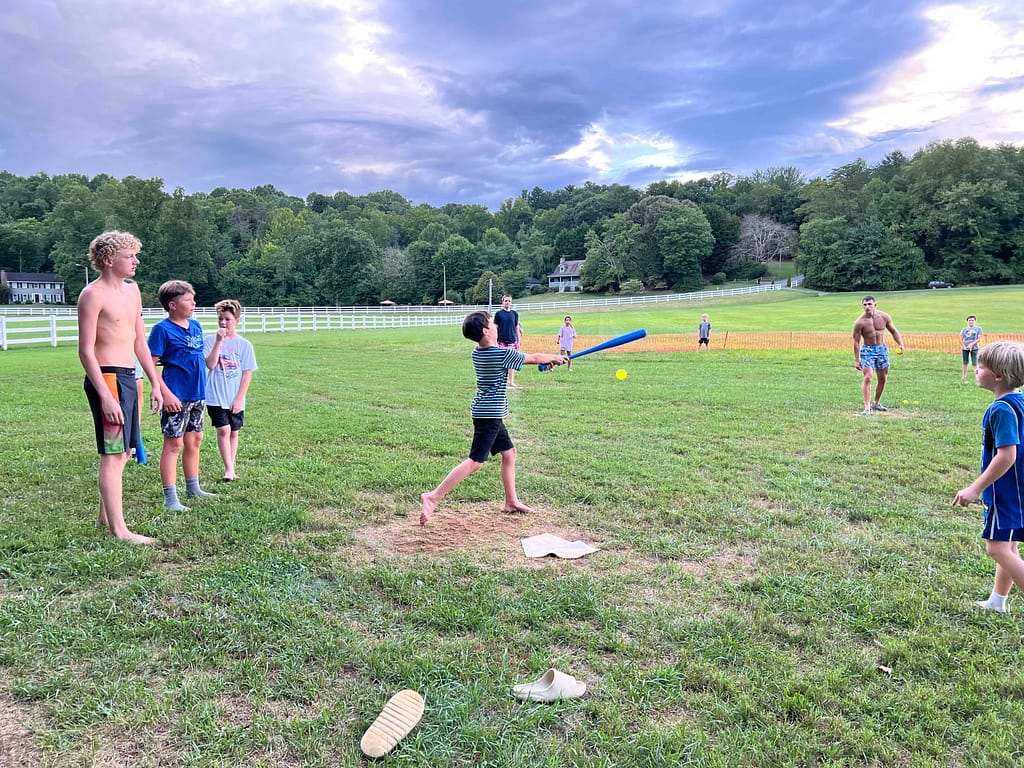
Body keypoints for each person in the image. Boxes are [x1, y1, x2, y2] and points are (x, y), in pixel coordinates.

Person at [419, 311, 567, 525]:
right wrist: (555, 357)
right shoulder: (499, 354)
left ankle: (511, 501)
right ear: (485, 331)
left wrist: (547, 361)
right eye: (492, 323)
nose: (497, 325)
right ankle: (432, 497)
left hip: (489, 413)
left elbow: (533, 360)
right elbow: (533, 358)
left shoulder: (478, 352)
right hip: (489, 415)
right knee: (475, 462)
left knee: (509, 453)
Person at [77, 231, 163, 544]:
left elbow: (140, 340)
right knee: (113, 454)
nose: (136, 261)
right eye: (130, 256)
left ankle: (105, 518)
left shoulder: (133, 291)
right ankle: (120, 530)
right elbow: (86, 350)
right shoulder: (93, 294)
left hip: (129, 376)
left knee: (125, 450)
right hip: (108, 379)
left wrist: (156, 383)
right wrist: (105, 396)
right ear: (110, 260)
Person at [953, 341, 1024, 614]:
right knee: (1008, 544)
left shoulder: (1000, 409)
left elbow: (1007, 455)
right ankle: (997, 602)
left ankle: (998, 601)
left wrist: (974, 488)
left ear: (998, 375)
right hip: (1019, 488)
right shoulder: (1019, 402)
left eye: (981, 366)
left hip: (1006, 491)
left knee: (997, 549)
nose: (975, 369)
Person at [148, 280, 214, 511]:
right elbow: (151, 365)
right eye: (188, 300)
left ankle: (193, 487)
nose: (193, 303)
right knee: (173, 444)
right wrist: (165, 394)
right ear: (173, 304)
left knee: (194, 441)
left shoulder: (195, 326)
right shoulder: (162, 330)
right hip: (176, 395)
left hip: (198, 393)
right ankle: (170, 498)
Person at [204, 299, 257, 482]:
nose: (223, 323)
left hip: (235, 396)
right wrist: (219, 341)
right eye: (220, 319)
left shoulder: (244, 345)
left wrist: (239, 398)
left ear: (237, 321)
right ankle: (228, 469)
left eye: (227, 319)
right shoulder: (210, 340)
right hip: (215, 396)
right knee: (224, 430)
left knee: (234, 432)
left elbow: (246, 373)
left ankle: (231, 466)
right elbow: (210, 365)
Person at [853, 296, 905, 415]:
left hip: (881, 349)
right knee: (868, 377)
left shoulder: (884, 317)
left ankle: (876, 403)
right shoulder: (859, 322)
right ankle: (867, 407)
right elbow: (856, 342)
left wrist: (900, 344)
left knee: (882, 377)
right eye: (865, 305)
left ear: (875, 305)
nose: (867, 307)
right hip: (867, 350)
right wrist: (856, 360)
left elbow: (893, 331)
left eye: (869, 304)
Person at [493, 294, 524, 388]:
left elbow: (516, 327)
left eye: (509, 301)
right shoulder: (499, 314)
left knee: (511, 363)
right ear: (502, 302)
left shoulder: (514, 314)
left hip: (512, 341)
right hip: (501, 341)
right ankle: (500, 381)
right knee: (501, 362)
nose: (507, 302)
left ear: (511, 302)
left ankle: (511, 381)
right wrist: (494, 341)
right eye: (506, 301)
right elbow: (495, 327)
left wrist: (519, 341)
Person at [960, 315, 983, 381]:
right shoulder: (964, 329)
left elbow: (979, 339)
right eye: (969, 320)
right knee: (965, 362)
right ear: (967, 321)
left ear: (975, 321)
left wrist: (971, 344)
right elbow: (961, 338)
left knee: (975, 363)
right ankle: (964, 376)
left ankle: (977, 377)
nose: (971, 321)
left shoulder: (978, 329)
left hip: (975, 348)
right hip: (965, 348)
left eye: (972, 320)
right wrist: (964, 346)